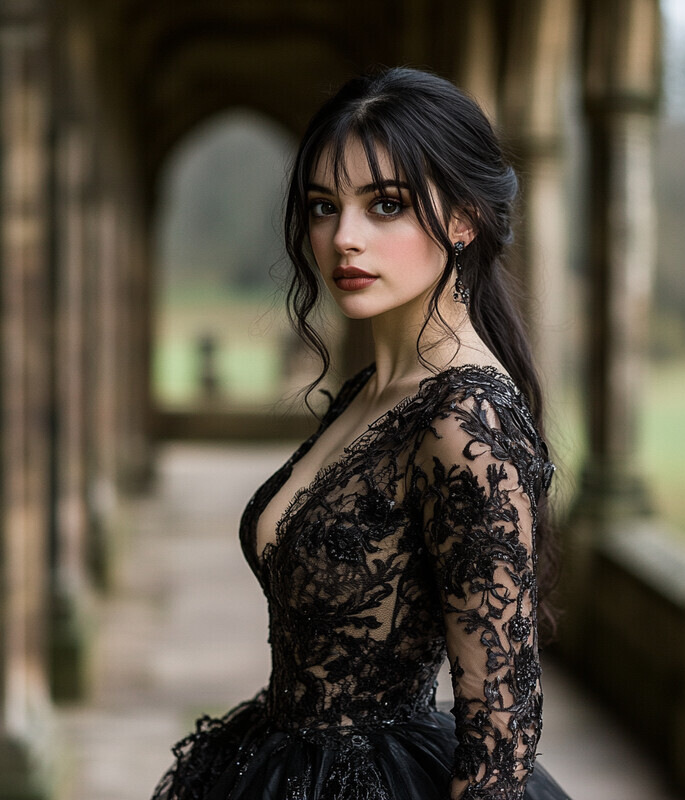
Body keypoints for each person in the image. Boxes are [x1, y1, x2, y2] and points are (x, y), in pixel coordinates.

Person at [151, 67, 570, 800]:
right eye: (323, 206)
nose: (343, 238)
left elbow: (500, 739)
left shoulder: (465, 423)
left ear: (466, 216)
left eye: (386, 205)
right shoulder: (373, 393)